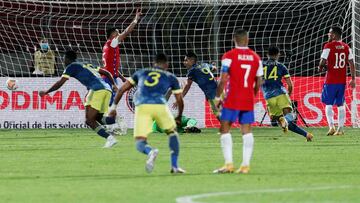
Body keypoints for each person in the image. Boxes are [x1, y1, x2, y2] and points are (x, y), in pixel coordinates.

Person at [108, 53, 186, 174]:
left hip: (142, 106)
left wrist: (113, 108)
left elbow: (122, 89)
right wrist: (179, 116)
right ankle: (175, 166)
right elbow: (180, 100)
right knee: (172, 133)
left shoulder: (141, 73)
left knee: (140, 141)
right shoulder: (170, 77)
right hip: (160, 105)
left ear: (153, 64)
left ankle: (150, 151)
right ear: (167, 65)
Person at [39, 50, 119, 148]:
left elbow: (60, 83)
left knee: (90, 120)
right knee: (97, 118)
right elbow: (106, 72)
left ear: (67, 59)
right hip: (107, 90)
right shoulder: (85, 64)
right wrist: (114, 84)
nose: (63, 61)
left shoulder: (71, 67)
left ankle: (111, 138)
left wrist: (46, 92)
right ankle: (115, 122)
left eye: (63, 59)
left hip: (97, 89)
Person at [213, 29, 263, 174]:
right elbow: (259, 81)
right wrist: (252, 95)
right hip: (247, 98)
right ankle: (245, 166)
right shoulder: (255, 58)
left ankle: (228, 164)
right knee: (246, 130)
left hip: (233, 98)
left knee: (225, 128)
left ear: (234, 39)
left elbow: (223, 80)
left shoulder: (229, 56)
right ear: (247, 40)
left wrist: (217, 97)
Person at [262, 46, 313, 141]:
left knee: (282, 122)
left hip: (269, 97)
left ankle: (306, 135)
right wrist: (288, 95)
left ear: (267, 55)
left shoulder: (260, 65)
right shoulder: (281, 66)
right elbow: (290, 85)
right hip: (281, 93)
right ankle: (286, 120)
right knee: (289, 117)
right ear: (278, 55)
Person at [318, 25, 356, 136]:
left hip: (330, 81)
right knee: (340, 104)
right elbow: (352, 63)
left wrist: (321, 67)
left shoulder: (328, 46)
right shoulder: (346, 46)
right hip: (342, 81)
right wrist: (353, 79)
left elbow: (322, 61)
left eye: (330, 33)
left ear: (334, 34)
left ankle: (331, 127)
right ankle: (340, 129)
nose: (328, 35)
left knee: (328, 104)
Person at [102, 9, 142, 105]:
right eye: (117, 33)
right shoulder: (112, 43)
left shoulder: (109, 46)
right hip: (109, 79)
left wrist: (122, 77)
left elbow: (110, 65)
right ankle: (107, 119)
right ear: (112, 35)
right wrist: (136, 19)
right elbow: (126, 32)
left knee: (109, 102)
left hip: (109, 77)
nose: (119, 35)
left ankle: (107, 118)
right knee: (110, 103)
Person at [173, 52, 220, 119]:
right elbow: (214, 68)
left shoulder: (192, 71)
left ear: (192, 60)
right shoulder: (204, 65)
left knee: (218, 113)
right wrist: (213, 66)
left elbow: (187, 87)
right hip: (219, 89)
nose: (184, 62)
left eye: (186, 60)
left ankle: (226, 129)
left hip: (211, 94)